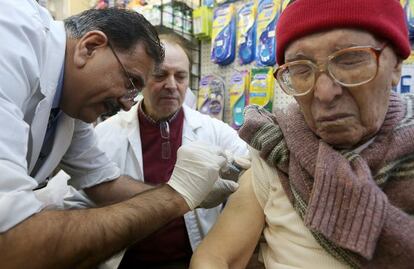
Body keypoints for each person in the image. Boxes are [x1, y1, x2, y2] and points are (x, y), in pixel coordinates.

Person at [0, 1, 238, 268]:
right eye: (131, 82)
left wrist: (186, 193)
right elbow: (11, 242)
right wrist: (176, 197)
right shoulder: (10, 35)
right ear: (90, 47)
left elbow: (103, 184)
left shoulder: (71, 103)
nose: (128, 103)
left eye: (180, 77)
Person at [190, 0, 414, 268]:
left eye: (350, 59)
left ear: (397, 65)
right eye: (300, 69)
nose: (323, 92)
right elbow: (213, 257)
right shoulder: (276, 149)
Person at [93, 34, 249, 268]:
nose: (172, 85)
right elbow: (70, 197)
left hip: (193, 261)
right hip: (128, 261)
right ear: (141, 78)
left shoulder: (214, 132)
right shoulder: (106, 134)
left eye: (181, 76)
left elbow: (254, 169)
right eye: (160, 75)